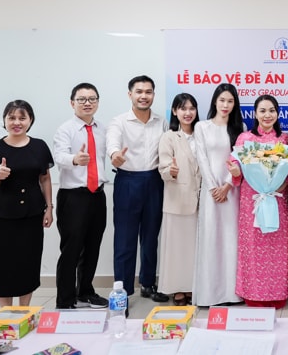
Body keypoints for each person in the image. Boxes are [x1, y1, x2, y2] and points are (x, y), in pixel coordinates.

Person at [0, 100, 53, 307]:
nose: (17, 122)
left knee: (28, 263)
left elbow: (45, 178)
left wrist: (49, 208)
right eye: (11, 118)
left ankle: (24, 311)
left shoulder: (39, 146)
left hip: (32, 214)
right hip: (3, 217)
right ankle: (6, 313)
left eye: (22, 118)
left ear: (30, 120)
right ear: (4, 120)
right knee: (2, 265)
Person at [106, 75, 168, 302]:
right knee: (125, 240)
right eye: (139, 91)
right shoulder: (119, 122)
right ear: (130, 94)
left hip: (154, 182)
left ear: (153, 95)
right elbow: (113, 144)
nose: (144, 96)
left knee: (151, 238)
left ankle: (148, 283)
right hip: (128, 182)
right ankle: (122, 293)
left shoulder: (161, 122)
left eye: (148, 92)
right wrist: (115, 155)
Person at [233, 94, 288, 308]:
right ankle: (253, 294)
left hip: (276, 198)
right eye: (263, 111)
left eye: (272, 111)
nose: (267, 115)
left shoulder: (284, 140)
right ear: (255, 114)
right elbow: (236, 164)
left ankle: (278, 294)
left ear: (278, 114)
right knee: (252, 246)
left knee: (277, 246)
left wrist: (281, 185)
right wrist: (235, 170)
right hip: (252, 200)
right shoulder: (245, 139)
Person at [52, 83, 109, 309]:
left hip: (97, 195)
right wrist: (75, 159)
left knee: (93, 247)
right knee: (71, 249)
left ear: (97, 102)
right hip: (73, 197)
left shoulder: (102, 128)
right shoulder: (65, 129)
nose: (87, 103)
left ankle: (85, 291)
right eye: (82, 99)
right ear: (72, 103)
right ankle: (65, 299)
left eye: (92, 99)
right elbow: (59, 156)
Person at [193, 83, 244, 306]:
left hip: (232, 191)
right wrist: (214, 188)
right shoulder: (202, 127)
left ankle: (233, 293)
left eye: (230, 101)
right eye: (222, 100)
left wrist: (227, 185)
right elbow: (202, 159)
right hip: (210, 192)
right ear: (215, 101)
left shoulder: (239, 127)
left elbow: (240, 159)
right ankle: (210, 295)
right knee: (211, 238)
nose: (225, 105)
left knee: (231, 239)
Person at [158, 93, 201, 305]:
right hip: (177, 199)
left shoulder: (201, 134)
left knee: (195, 249)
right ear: (175, 111)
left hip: (201, 200)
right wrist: (171, 171)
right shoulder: (169, 137)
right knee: (176, 249)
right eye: (183, 108)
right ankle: (177, 288)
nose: (188, 113)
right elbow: (164, 167)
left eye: (191, 108)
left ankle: (193, 286)